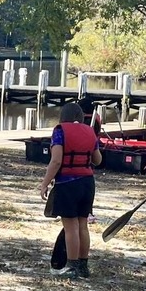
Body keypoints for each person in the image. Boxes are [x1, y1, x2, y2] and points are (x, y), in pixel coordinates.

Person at [39, 102, 102, 279]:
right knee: (83, 225)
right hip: (87, 183)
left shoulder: (59, 131)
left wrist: (45, 182)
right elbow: (97, 160)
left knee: (71, 227)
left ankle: (71, 265)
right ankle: (83, 265)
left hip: (68, 182)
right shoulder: (90, 132)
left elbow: (56, 160)